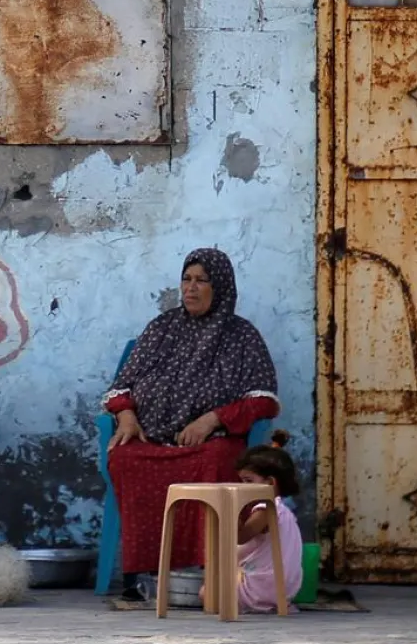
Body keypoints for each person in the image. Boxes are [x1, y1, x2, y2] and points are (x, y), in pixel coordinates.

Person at [103, 247, 280, 601]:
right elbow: (119, 387)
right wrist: (125, 414)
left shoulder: (241, 336)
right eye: (187, 279)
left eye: (202, 281)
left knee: (216, 461)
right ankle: (139, 574)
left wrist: (213, 418)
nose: (191, 288)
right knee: (124, 458)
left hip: (210, 442)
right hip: (154, 439)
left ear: (222, 287)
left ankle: (207, 568)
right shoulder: (161, 329)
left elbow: (265, 400)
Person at [234, 431, 304, 613]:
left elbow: (240, 537)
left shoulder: (266, 510)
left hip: (261, 589)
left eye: (248, 481)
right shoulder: (285, 511)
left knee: (206, 592)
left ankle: (248, 603)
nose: (243, 487)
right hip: (284, 590)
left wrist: (234, 510)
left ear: (270, 483)